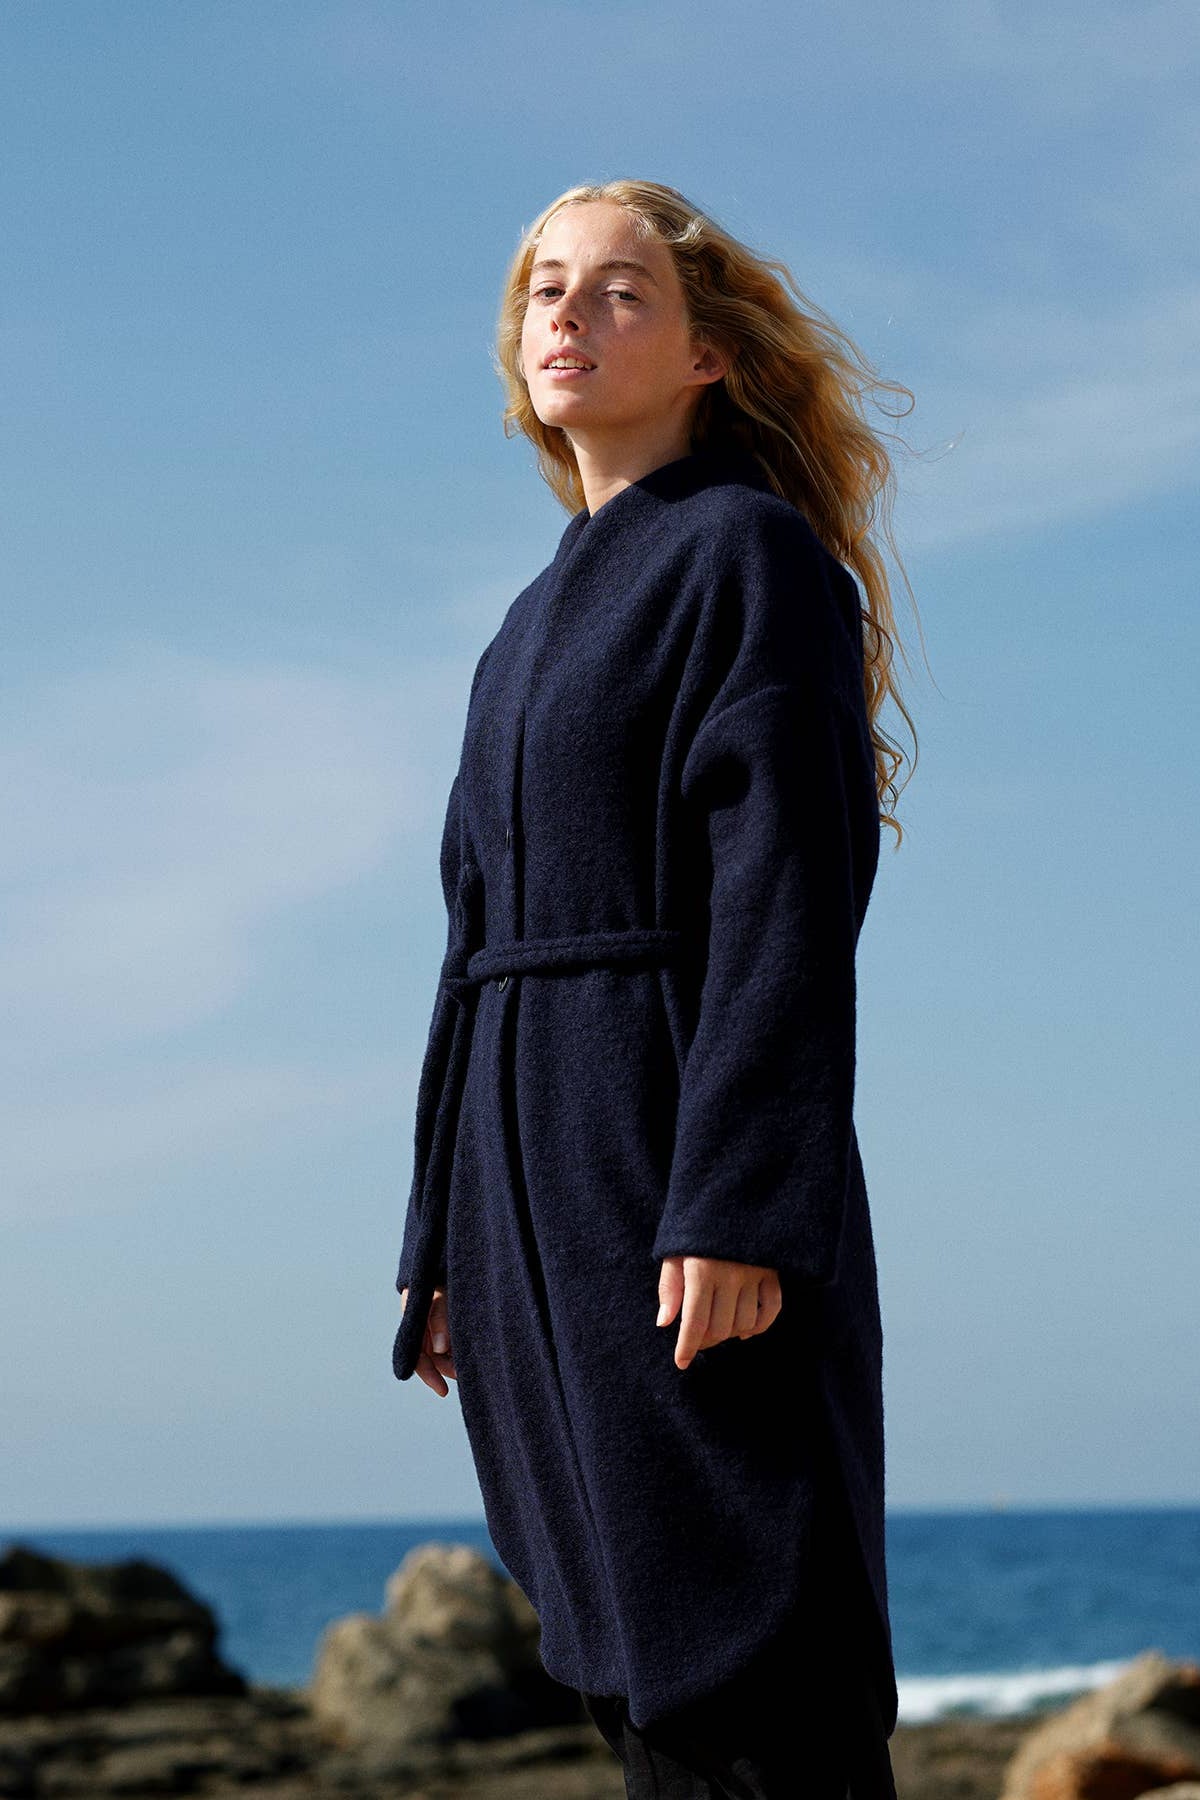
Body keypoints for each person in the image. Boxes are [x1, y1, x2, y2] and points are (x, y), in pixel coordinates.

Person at [391, 178, 919, 1799]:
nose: (568, 314)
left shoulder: (752, 561)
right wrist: (440, 1244)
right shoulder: (522, 627)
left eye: (620, 291)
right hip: (525, 1183)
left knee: (752, 1647)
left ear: (706, 355)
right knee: (626, 1663)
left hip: (672, 1153)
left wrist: (746, 1202)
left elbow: (789, 893)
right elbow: (468, 943)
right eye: (546, 286)